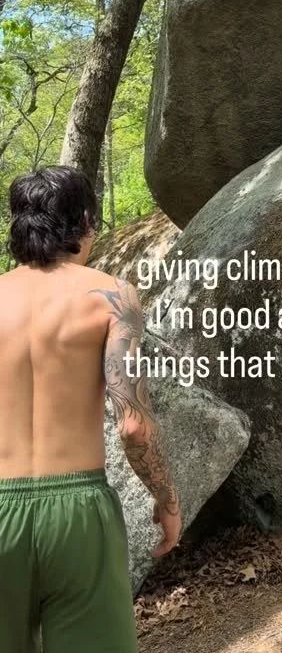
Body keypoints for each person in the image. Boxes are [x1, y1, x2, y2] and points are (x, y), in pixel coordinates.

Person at [0, 164, 182, 652]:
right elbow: (133, 427)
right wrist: (166, 500)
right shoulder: (111, 297)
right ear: (83, 221)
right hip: (77, 516)